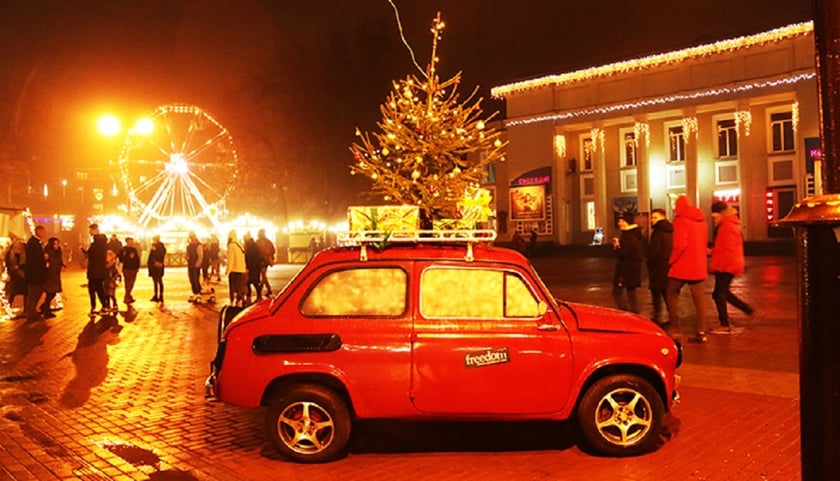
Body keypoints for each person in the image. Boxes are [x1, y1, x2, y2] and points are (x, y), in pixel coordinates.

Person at [665, 195, 709, 343]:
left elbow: (680, 245)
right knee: (699, 299)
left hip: (682, 265)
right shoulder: (702, 221)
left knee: (671, 293)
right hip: (698, 265)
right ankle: (701, 331)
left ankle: (674, 327)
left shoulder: (680, 221)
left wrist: (671, 261)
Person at [709, 201, 757, 334]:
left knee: (719, 294)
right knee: (723, 293)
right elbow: (723, 246)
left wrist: (720, 264)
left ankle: (724, 324)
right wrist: (712, 251)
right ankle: (749, 311)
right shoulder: (729, 224)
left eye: (715, 216)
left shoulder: (727, 226)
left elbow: (727, 249)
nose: (714, 219)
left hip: (726, 264)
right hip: (728, 263)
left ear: (721, 214)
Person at [611, 212, 644, 313]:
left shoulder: (627, 236)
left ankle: (625, 313)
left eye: (621, 221)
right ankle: (635, 314)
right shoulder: (636, 234)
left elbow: (622, 254)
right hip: (634, 269)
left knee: (617, 292)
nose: (619, 223)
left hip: (625, 270)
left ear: (626, 222)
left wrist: (616, 246)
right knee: (631, 294)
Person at [647, 208, 674, 324]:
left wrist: (649, 263)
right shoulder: (671, 231)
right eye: (651, 218)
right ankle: (672, 317)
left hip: (658, 268)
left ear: (662, 217)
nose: (652, 220)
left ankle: (657, 317)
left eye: (655, 217)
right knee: (667, 294)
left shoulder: (657, 233)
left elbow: (653, 252)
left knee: (657, 294)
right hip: (669, 266)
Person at [83, 223, 109, 315]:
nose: (89, 232)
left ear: (95, 230)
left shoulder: (97, 243)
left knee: (93, 289)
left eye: (91, 230)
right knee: (99, 289)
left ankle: (94, 307)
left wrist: (86, 251)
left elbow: (94, 255)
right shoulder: (102, 242)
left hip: (95, 270)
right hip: (100, 270)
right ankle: (105, 306)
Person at [24, 225, 47, 322]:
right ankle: (31, 314)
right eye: (43, 231)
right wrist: (44, 259)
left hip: (36, 274)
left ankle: (32, 312)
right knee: (33, 294)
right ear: (38, 231)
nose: (44, 234)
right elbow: (34, 259)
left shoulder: (35, 242)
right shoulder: (33, 243)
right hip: (35, 275)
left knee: (35, 294)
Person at [41, 237, 64, 318]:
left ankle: (45, 307)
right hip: (50, 275)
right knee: (50, 293)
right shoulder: (47, 252)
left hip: (55, 274)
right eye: (55, 244)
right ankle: (46, 309)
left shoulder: (58, 251)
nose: (56, 245)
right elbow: (46, 262)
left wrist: (62, 265)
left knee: (53, 293)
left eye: (58, 243)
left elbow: (58, 261)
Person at [4, 234, 27, 315]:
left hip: (23, 274)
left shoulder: (25, 251)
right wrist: (11, 270)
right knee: (13, 292)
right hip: (14, 275)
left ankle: (26, 309)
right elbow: (7, 262)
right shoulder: (11, 252)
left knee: (25, 292)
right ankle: (9, 306)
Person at [226, 230, 247, 306]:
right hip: (242, 269)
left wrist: (228, 270)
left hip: (235, 270)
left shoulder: (231, 245)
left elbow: (231, 259)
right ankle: (240, 300)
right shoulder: (239, 245)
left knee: (233, 288)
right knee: (240, 287)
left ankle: (233, 302)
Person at [119, 236, 140, 304]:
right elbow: (120, 257)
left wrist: (137, 267)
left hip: (133, 268)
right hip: (127, 268)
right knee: (129, 283)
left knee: (130, 283)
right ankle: (127, 296)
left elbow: (137, 258)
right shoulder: (123, 249)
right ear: (127, 242)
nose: (132, 242)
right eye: (131, 241)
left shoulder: (133, 249)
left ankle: (128, 296)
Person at [256, 228, 276, 297]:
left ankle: (267, 289)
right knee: (263, 275)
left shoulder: (258, 242)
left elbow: (257, 251)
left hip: (262, 260)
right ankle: (262, 289)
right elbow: (273, 249)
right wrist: (271, 256)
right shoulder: (268, 241)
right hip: (267, 260)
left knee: (263, 275)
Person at [243, 232, 262, 303]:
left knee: (253, 282)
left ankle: (252, 296)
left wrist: (247, 266)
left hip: (253, 267)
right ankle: (254, 296)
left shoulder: (250, 245)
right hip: (255, 267)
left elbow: (249, 257)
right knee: (252, 282)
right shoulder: (253, 244)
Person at [186, 232, 204, 302]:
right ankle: (195, 292)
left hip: (195, 265)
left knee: (195, 278)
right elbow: (187, 254)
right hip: (190, 264)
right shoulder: (189, 246)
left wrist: (198, 263)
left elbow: (200, 255)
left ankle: (197, 292)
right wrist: (187, 257)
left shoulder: (198, 245)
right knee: (191, 279)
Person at [147, 235, 166, 303]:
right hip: (160, 264)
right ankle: (160, 295)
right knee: (159, 280)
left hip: (155, 265)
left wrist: (153, 262)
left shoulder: (155, 245)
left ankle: (156, 295)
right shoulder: (162, 246)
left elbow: (153, 255)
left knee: (156, 281)